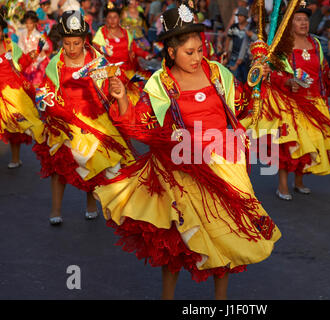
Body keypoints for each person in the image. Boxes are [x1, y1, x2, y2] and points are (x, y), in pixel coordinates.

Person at [93, 4, 280, 300]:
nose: (196, 57)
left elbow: (241, 108)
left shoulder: (218, 73)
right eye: (188, 52)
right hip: (182, 172)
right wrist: (122, 100)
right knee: (177, 248)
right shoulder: (160, 84)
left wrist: (257, 81)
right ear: (170, 52)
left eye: (199, 49)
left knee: (226, 240)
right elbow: (141, 125)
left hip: (224, 167)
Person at [32, 11, 134, 225]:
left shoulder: (97, 61)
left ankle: (91, 203)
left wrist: (116, 86)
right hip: (65, 121)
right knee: (59, 167)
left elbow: (111, 85)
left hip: (94, 119)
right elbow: (45, 90)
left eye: (76, 43)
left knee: (94, 164)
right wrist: (46, 100)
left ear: (84, 41)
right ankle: (56, 208)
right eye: (67, 43)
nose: (71, 49)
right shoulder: (56, 64)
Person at [242, 2, 330, 200]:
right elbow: (271, 74)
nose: (303, 23)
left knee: (311, 145)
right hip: (291, 105)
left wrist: (329, 76)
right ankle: (282, 186)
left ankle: (299, 182)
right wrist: (288, 81)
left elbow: (320, 69)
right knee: (290, 147)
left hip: (314, 102)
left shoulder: (315, 43)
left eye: (305, 19)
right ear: (290, 24)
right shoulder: (282, 47)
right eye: (298, 19)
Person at [0, 7, 45, 169]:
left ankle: (15, 158)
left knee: (15, 127)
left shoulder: (11, 46)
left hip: (12, 91)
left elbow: (20, 64)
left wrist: (33, 55)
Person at [92, 1, 152, 88]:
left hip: (128, 72)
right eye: (109, 17)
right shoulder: (101, 32)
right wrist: (104, 50)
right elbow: (95, 49)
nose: (112, 20)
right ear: (105, 19)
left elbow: (134, 48)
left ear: (119, 18)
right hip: (110, 74)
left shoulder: (125, 32)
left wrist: (146, 55)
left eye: (115, 17)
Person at [18, 10, 51, 88]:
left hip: (36, 63)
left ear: (35, 23)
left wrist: (38, 59)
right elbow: (20, 47)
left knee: (36, 83)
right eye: (27, 23)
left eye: (30, 23)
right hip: (25, 62)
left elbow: (44, 48)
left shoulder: (38, 35)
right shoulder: (22, 33)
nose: (28, 25)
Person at [224, 6, 250, 84]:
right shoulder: (233, 27)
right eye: (238, 16)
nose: (239, 18)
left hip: (246, 58)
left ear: (245, 17)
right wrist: (227, 52)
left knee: (246, 81)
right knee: (234, 81)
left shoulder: (250, 27)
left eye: (241, 16)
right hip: (234, 57)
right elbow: (228, 39)